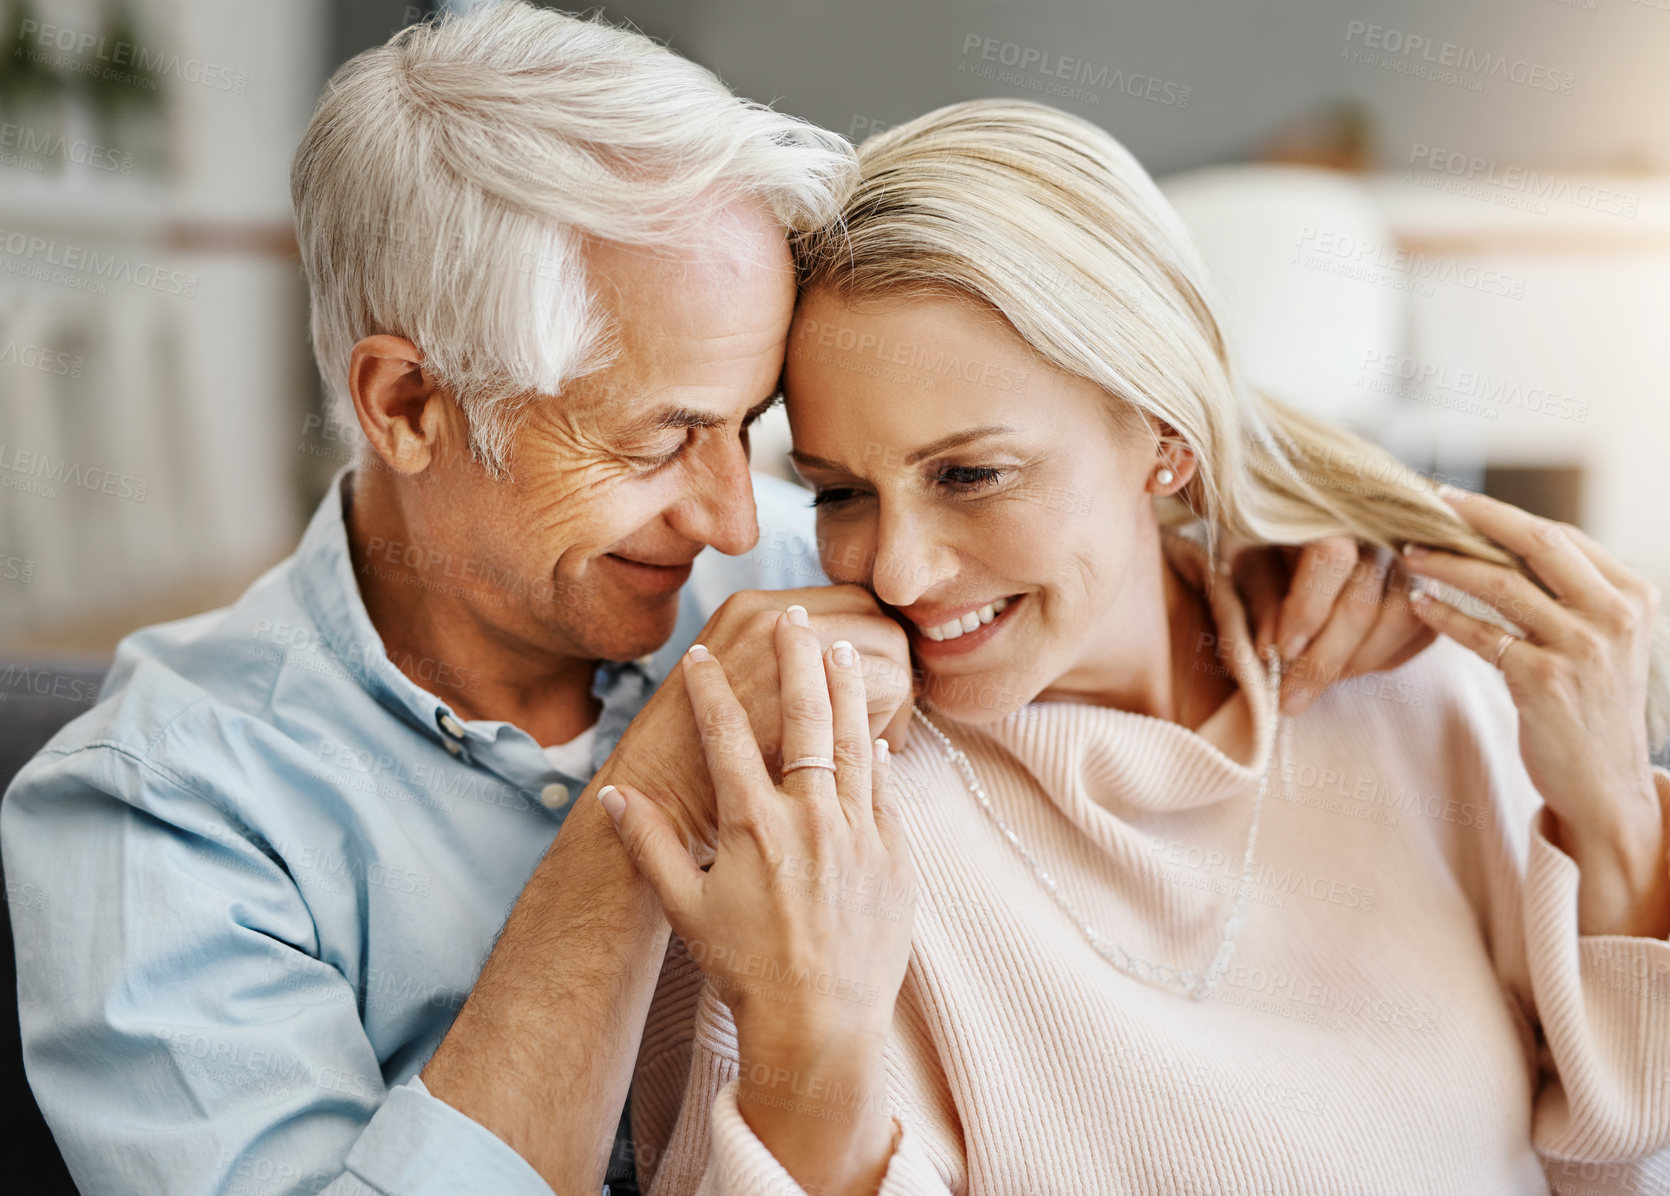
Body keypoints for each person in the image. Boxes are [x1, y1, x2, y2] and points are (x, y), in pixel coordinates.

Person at [0, 10, 1417, 1195]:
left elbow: (1064, 495)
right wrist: (651, 798)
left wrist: (1262, 539)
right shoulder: (158, 814)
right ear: (408, 404)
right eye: (655, 439)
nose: (744, 521)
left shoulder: (823, 569)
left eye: (751, 433)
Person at [607, 100, 1670, 1195]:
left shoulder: (1420, 679)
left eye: (970, 475)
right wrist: (806, 1043)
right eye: (837, 492)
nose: (897, 573)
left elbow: (1620, 1142)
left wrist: (1615, 811)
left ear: (1161, 432)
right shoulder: (818, 816)